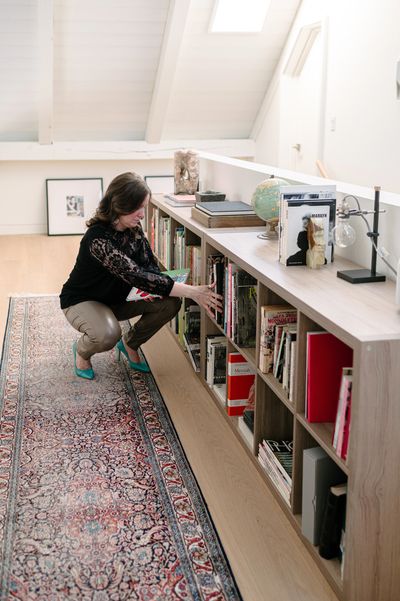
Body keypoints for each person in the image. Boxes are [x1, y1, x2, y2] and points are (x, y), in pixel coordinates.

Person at [60, 172, 223, 380]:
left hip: (119, 297)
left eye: (144, 207)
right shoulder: (97, 239)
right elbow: (137, 275)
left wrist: (167, 287)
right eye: (138, 208)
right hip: (84, 300)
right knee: (107, 335)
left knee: (170, 303)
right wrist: (193, 292)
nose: (142, 215)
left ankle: (130, 343)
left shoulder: (133, 229)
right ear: (119, 205)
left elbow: (150, 267)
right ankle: (82, 351)